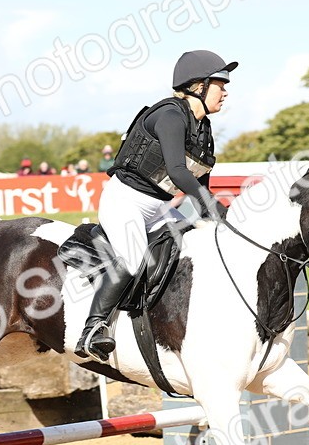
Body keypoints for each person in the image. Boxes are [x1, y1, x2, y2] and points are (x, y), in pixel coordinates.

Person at [75, 49, 235, 362]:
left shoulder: (203, 129)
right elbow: (177, 172)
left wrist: (216, 219)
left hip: (160, 208)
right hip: (126, 202)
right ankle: (93, 328)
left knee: (194, 248)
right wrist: (213, 205)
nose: (225, 91)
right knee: (134, 260)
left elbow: (199, 182)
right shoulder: (171, 117)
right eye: (220, 83)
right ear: (197, 86)